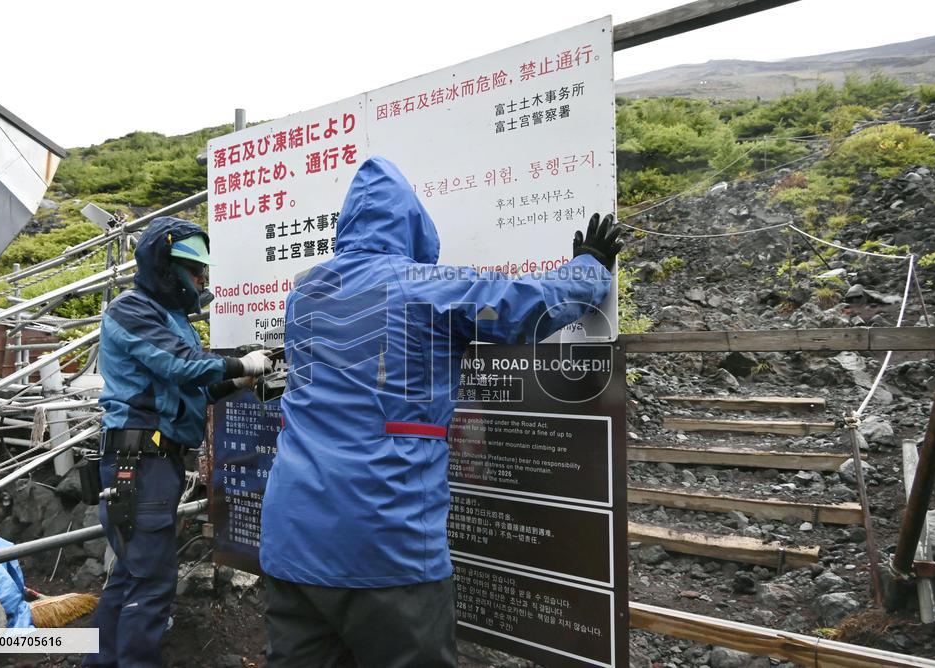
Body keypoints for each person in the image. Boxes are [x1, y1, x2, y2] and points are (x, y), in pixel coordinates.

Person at [259, 157, 622, 667]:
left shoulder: (304, 295)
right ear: (413, 224)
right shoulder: (427, 286)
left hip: (290, 537)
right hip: (385, 545)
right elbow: (525, 306)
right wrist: (589, 266)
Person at [84, 216, 273, 668]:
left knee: (130, 577)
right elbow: (182, 366)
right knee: (150, 583)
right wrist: (241, 363)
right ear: (165, 267)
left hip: (151, 463)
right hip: (141, 463)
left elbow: (198, 388)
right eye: (194, 270)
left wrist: (247, 378)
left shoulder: (169, 318)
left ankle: (99, 661)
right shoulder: (131, 310)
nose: (201, 280)